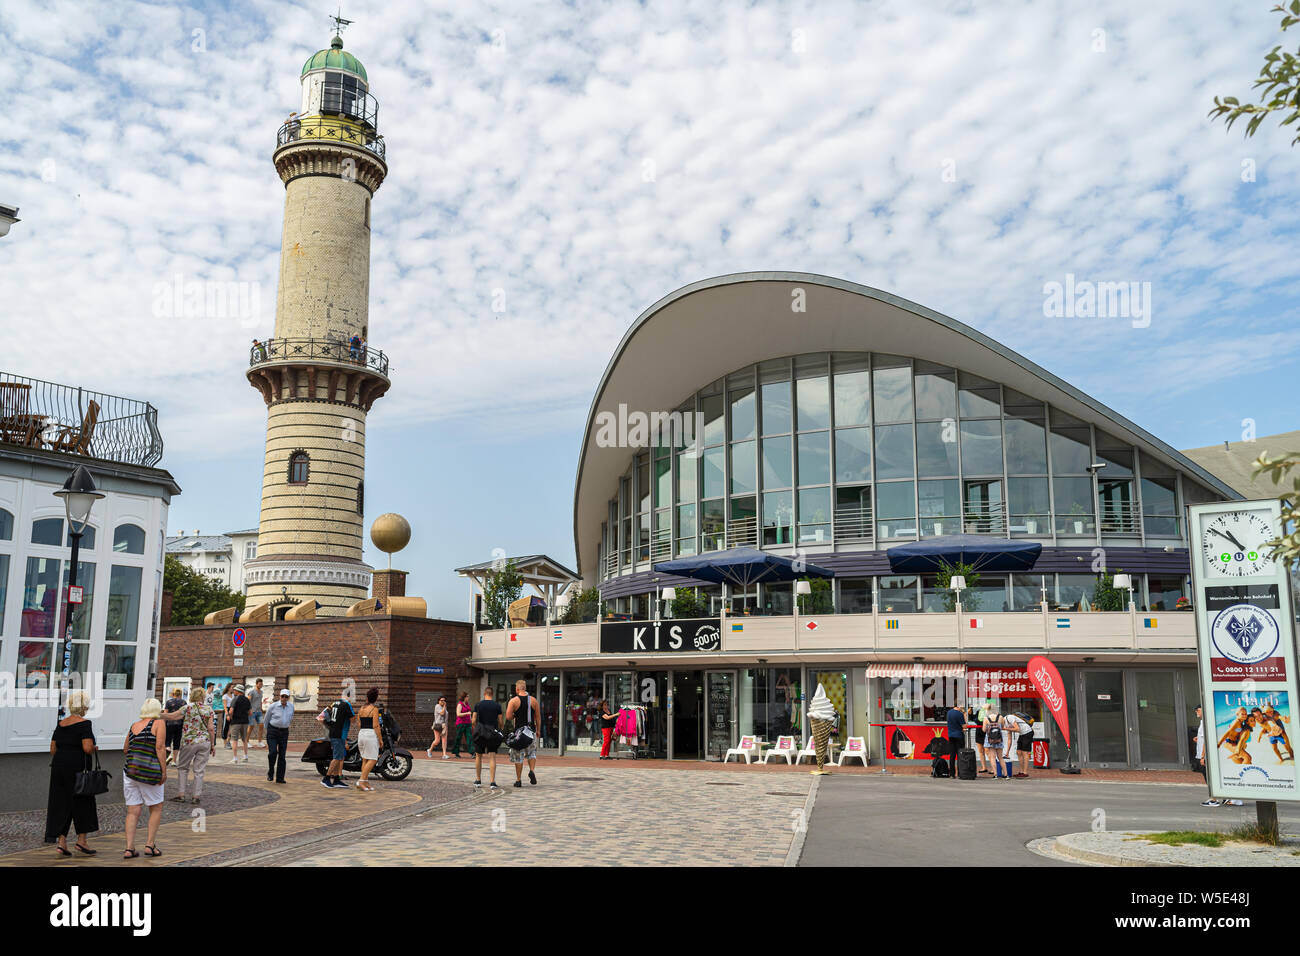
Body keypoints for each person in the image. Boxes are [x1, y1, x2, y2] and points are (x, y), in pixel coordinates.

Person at [45, 689, 99, 856]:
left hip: (58, 768)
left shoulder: (60, 724)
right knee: (83, 803)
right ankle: (82, 841)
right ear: (83, 707)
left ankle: (61, 842)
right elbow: (87, 748)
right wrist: (93, 748)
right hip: (77, 771)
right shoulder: (84, 724)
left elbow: (53, 749)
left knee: (61, 803)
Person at [122, 698, 167, 858]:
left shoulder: (134, 725)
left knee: (133, 810)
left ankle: (129, 848)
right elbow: (160, 747)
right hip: (149, 772)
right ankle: (149, 844)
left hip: (130, 772)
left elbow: (126, 749)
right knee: (156, 807)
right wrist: (163, 771)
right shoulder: (158, 723)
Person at [173, 687, 215, 804]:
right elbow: (211, 728)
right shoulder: (208, 709)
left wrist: (158, 715)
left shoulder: (187, 708)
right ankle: (196, 796)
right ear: (203, 697)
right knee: (199, 770)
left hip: (189, 741)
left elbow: (173, 716)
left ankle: (181, 794)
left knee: (183, 767)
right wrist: (212, 745)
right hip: (204, 742)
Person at [504, 679, 541, 788]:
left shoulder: (513, 701)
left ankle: (518, 780)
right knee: (532, 753)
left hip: (519, 733)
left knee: (518, 756)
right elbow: (538, 718)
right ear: (525, 688)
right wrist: (538, 730)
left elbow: (508, 716)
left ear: (517, 689)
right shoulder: (534, 701)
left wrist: (515, 715)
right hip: (530, 732)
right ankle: (532, 770)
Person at [471, 687, 503, 791]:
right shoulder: (497, 705)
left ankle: (478, 780)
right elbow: (501, 721)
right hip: (492, 733)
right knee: (492, 757)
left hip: (480, 733)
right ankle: (492, 782)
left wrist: (476, 728)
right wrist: (499, 729)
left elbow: (473, 720)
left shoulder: (478, 705)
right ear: (492, 694)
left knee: (478, 756)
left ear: (484, 693)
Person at [323, 693, 355, 789]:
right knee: (337, 757)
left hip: (333, 732)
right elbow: (353, 719)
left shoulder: (335, 703)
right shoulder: (346, 705)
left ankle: (336, 779)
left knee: (340, 757)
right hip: (339, 734)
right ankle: (326, 778)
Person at [264, 686, 294, 784]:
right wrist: (267, 730)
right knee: (272, 752)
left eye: (286, 697)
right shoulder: (273, 706)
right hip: (273, 730)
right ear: (279, 696)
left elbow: (291, 717)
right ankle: (271, 771)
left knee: (282, 755)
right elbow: (266, 718)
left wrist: (286, 725)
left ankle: (280, 777)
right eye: (282, 696)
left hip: (284, 732)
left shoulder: (291, 706)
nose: (284, 698)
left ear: (288, 698)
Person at [355, 688, 382, 791]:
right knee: (373, 759)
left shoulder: (361, 709)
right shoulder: (374, 709)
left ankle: (365, 782)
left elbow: (359, 724)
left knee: (365, 758)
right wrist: (380, 740)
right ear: (376, 698)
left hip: (361, 733)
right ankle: (361, 781)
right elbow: (376, 725)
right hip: (370, 734)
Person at [1195, 704, 1221, 808]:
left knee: (1209, 777)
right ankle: (1215, 797)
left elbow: (1207, 739)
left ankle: (1214, 799)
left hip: (1206, 755)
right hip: (1203, 754)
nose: (1196, 712)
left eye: (1198, 710)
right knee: (1208, 776)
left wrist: (1203, 756)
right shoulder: (1203, 722)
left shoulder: (1206, 722)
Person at [226, 684, 251, 763]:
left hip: (236, 722)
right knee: (244, 740)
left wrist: (230, 716)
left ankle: (235, 758)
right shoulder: (247, 700)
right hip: (245, 722)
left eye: (235, 690)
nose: (234, 691)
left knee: (235, 740)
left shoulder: (235, 699)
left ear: (238, 691)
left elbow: (231, 711)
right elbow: (250, 712)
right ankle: (245, 756)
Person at [1007, 711, 1034, 778]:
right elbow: (1009, 739)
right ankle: (1021, 771)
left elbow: (1017, 729)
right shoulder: (1006, 725)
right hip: (1022, 734)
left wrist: (1005, 728)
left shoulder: (1009, 717)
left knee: (1025, 753)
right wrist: (1007, 752)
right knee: (1018, 752)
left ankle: (1025, 772)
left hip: (1027, 732)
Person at [163, 687, 185, 765]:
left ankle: (168, 755)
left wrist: (163, 724)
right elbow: (184, 715)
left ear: (173, 694)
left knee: (167, 742)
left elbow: (165, 714)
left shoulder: (169, 702)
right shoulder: (183, 702)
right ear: (180, 694)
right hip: (179, 724)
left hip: (169, 724)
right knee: (177, 743)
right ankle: (174, 761)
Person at [450, 691, 474, 757]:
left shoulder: (467, 704)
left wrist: (471, 720)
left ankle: (472, 752)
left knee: (469, 737)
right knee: (458, 738)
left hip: (468, 723)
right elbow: (458, 714)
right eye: (467, 696)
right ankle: (456, 752)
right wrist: (466, 714)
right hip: (460, 724)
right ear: (464, 697)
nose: (468, 698)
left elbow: (469, 713)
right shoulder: (460, 704)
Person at [946, 703, 967, 780]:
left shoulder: (949, 712)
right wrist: (964, 714)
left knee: (952, 755)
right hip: (959, 736)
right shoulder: (960, 714)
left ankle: (952, 774)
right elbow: (964, 726)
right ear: (959, 706)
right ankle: (960, 773)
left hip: (951, 735)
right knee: (960, 755)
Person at [983, 710, 1005, 778]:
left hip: (990, 740)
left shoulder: (986, 718)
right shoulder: (1001, 717)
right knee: (1000, 757)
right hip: (999, 739)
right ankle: (1006, 774)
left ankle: (995, 774)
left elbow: (984, 730)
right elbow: (1003, 727)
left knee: (992, 757)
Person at [427, 695, 448, 760]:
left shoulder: (444, 707)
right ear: (438, 701)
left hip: (444, 726)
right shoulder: (437, 706)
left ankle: (444, 754)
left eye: (444, 700)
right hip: (437, 725)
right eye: (441, 700)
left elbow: (445, 717)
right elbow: (441, 713)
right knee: (437, 741)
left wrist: (445, 726)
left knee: (444, 740)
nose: (443, 702)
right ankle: (430, 750)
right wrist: (444, 706)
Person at [248, 679, 266, 749]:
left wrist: (261, 708)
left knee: (261, 725)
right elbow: (248, 701)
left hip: (259, 712)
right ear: (256, 684)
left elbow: (260, 701)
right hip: (252, 712)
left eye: (262, 684)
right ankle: (247, 742)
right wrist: (249, 710)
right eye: (260, 684)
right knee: (251, 726)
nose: (261, 685)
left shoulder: (261, 692)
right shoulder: (252, 692)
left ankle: (259, 742)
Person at [219, 683, 232, 749]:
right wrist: (227, 715)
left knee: (232, 727)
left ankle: (228, 741)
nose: (233, 688)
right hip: (227, 710)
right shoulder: (225, 696)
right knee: (225, 727)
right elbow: (225, 706)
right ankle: (225, 743)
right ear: (228, 688)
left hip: (232, 711)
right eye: (232, 687)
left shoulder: (233, 695)